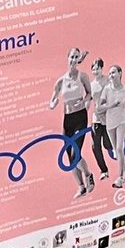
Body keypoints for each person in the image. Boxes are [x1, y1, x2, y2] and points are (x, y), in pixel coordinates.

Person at [48, 46, 96, 199]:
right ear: (67, 58)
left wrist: (83, 101)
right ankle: (81, 186)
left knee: (76, 154)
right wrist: (52, 104)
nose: (74, 59)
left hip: (80, 117)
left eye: (76, 57)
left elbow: (90, 94)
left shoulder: (82, 76)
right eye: (72, 57)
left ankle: (88, 174)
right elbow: (53, 99)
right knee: (69, 157)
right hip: (67, 119)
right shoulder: (60, 81)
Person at [100, 64, 125, 188]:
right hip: (110, 122)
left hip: (121, 120)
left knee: (119, 148)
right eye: (109, 73)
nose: (111, 75)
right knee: (115, 150)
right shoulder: (107, 89)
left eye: (113, 72)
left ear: (120, 73)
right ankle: (124, 166)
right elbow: (100, 106)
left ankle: (120, 178)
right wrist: (112, 105)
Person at [88, 57, 112, 179]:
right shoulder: (91, 85)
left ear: (102, 69)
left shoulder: (108, 80)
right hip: (96, 118)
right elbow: (88, 99)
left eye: (97, 68)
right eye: (93, 69)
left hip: (108, 117)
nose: (95, 71)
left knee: (108, 145)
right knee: (95, 146)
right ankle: (104, 171)